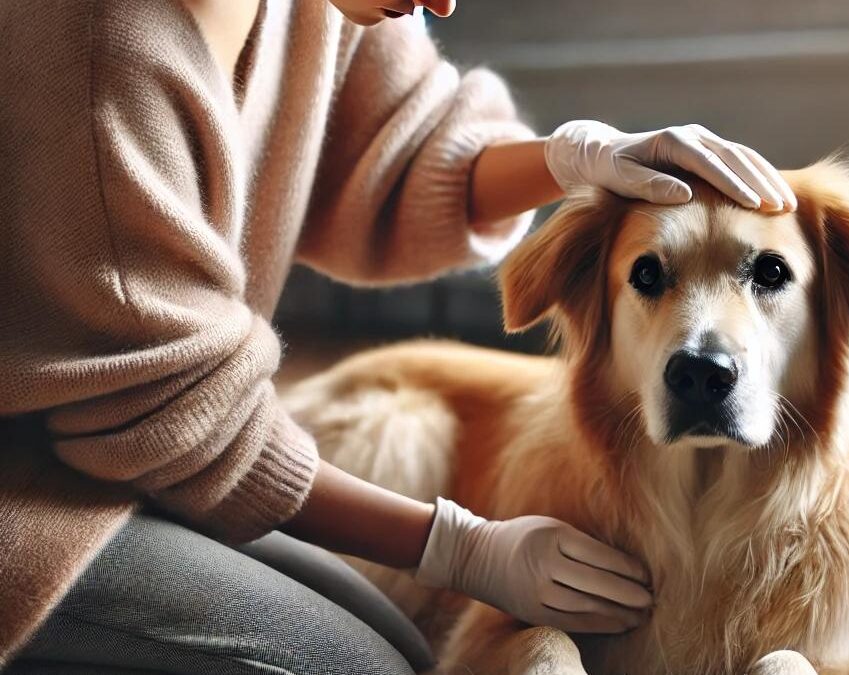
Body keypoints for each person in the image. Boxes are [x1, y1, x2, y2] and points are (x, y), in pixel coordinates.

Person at [0, 0, 796, 672]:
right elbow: (176, 423)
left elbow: (398, 150)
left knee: (406, 644)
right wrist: (462, 548)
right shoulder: (99, 50)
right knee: (359, 666)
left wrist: (571, 160)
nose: (443, 5)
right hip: (30, 494)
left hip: (120, 464)